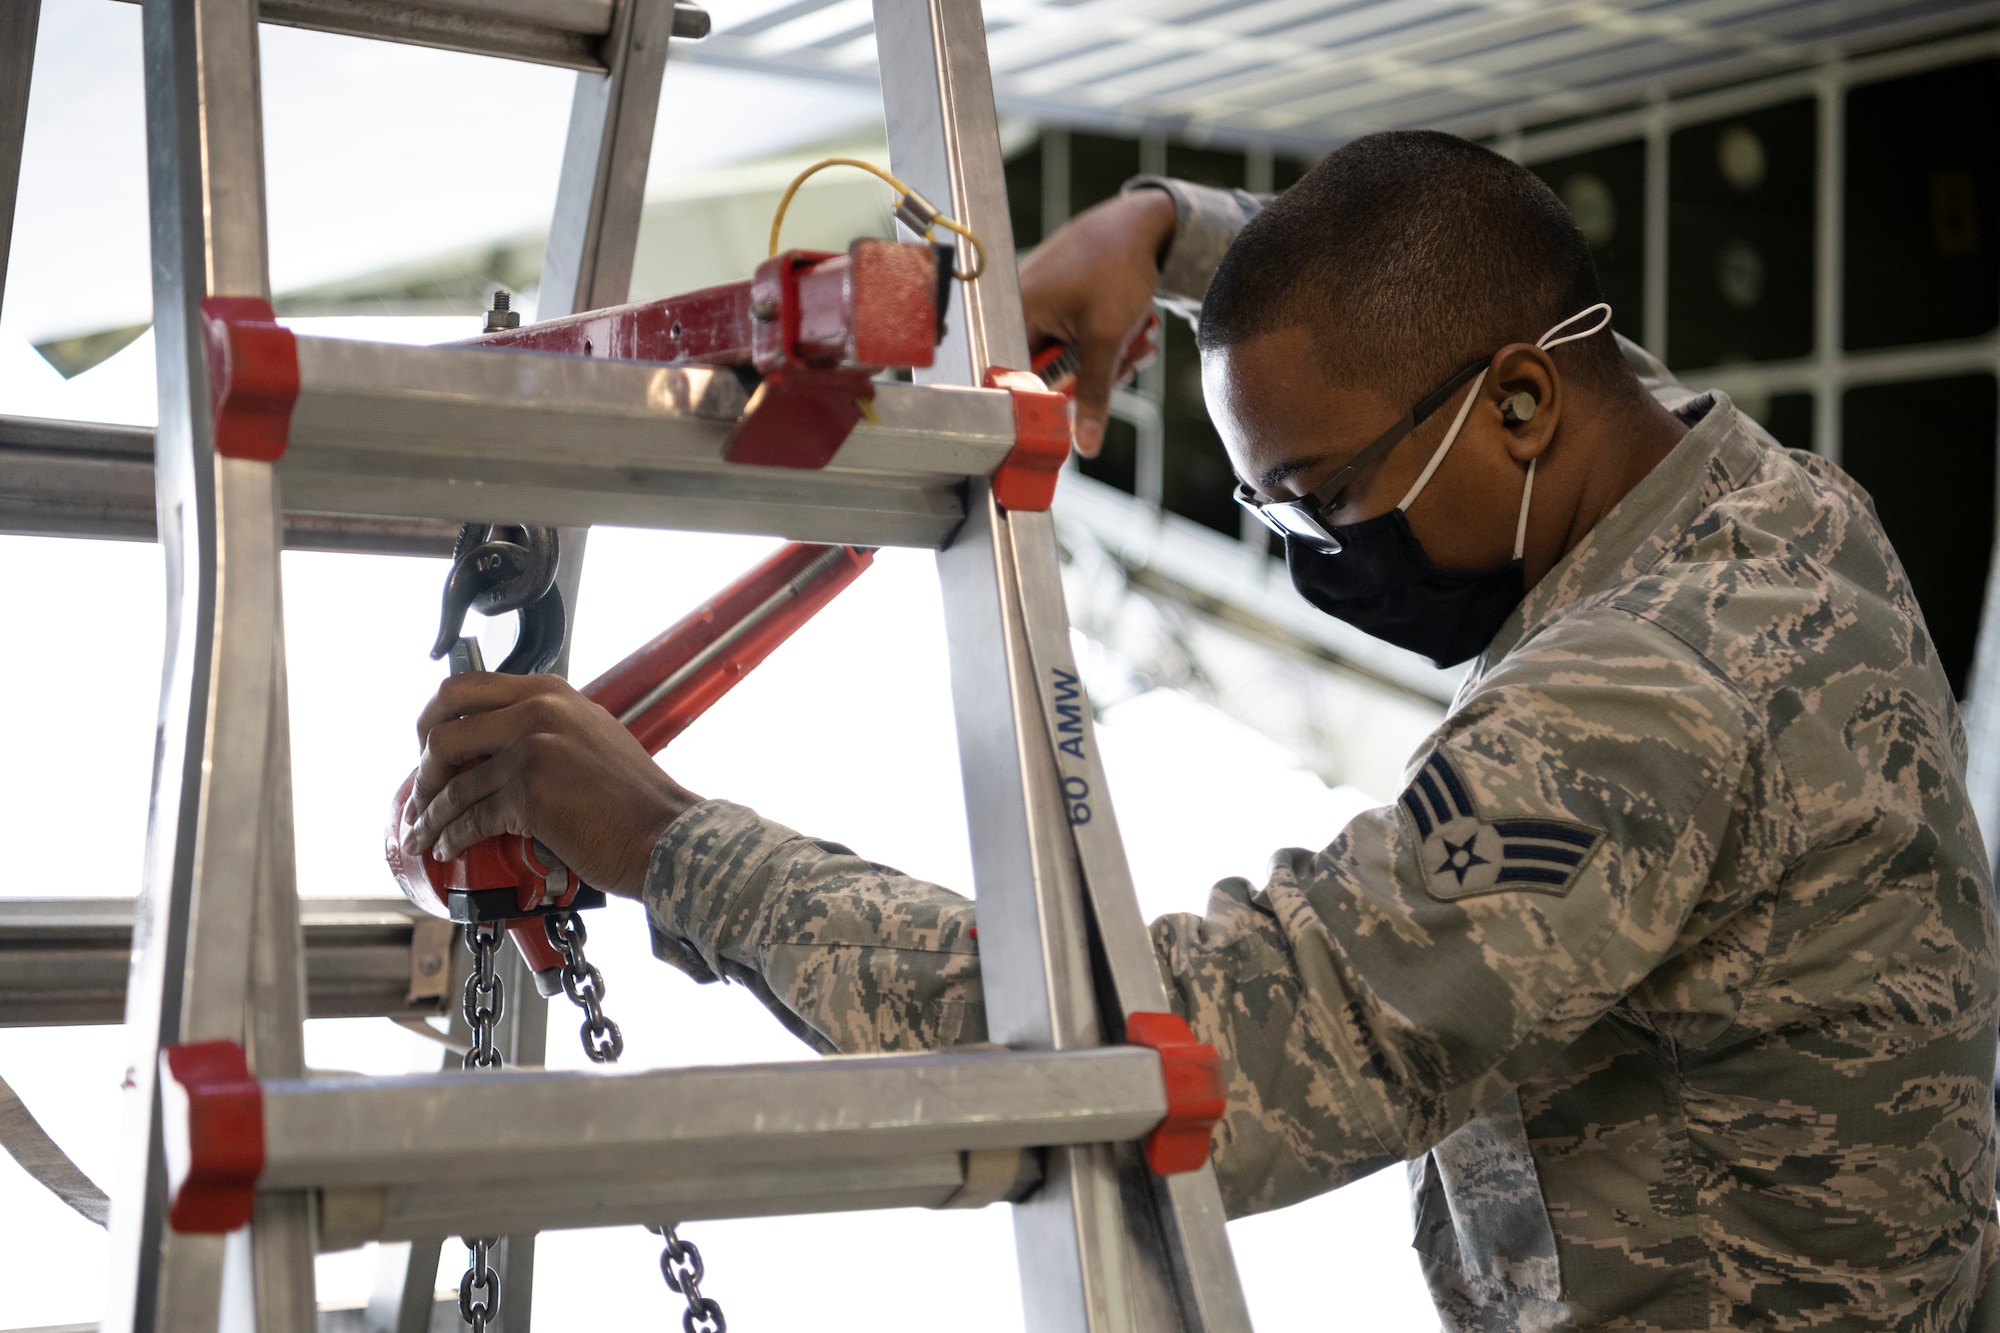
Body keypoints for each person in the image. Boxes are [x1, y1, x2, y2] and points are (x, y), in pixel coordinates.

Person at [399, 131, 1999, 1331]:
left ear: (1516, 408)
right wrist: (1168, 235)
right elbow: (1472, 287)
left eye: (1325, 498)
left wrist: (676, 847)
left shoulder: (1636, 707)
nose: (1312, 555)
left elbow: (1156, 1059)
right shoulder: (1749, 501)